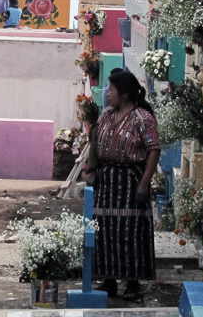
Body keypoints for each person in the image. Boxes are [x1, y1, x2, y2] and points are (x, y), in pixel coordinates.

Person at [87, 71, 161, 301]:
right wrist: (91, 171)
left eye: (112, 89)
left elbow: (153, 150)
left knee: (130, 233)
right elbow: (94, 143)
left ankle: (132, 283)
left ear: (125, 93)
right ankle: (108, 281)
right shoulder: (107, 115)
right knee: (104, 231)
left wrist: (144, 183)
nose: (108, 94)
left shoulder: (143, 118)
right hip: (106, 182)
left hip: (131, 182)